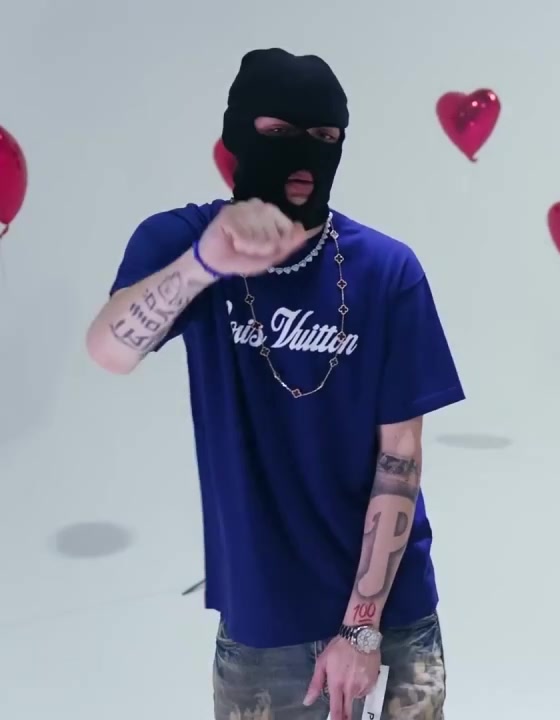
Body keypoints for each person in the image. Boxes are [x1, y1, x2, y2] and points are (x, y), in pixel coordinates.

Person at [84, 48, 463, 720]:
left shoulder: (386, 269)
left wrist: (361, 627)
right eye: (279, 133)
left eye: (324, 136)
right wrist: (205, 263)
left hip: (390, 615)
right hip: (264, 616)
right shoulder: (183, 238)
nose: (304, 153)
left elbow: (400, 456)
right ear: (238, 134)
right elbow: (110, 349)